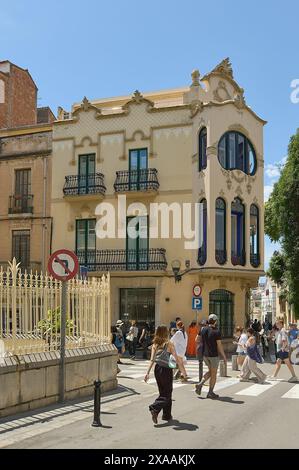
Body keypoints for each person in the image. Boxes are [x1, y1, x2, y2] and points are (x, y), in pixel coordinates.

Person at [144, 325, 185, 424]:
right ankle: (154, 408)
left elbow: (152, 360)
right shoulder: (169, 344)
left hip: (157, 369)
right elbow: (177, 358)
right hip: (166, 370)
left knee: (163, 392)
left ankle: (166, 415)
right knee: (167, 393)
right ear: (165, 333)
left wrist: (147, 373)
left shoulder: (155, 344)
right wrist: (182, 371)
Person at [195, 314, 227, 399]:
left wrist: (204, 342)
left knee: (211, 372)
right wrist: (224, 356)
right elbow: (219, 346)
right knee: (213, 374)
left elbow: (196, 339)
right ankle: (210, 392)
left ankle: (200, 384)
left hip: (205, 355)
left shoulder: (203, 329)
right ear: (216, 321)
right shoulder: (217, 331)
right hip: (213, 355)